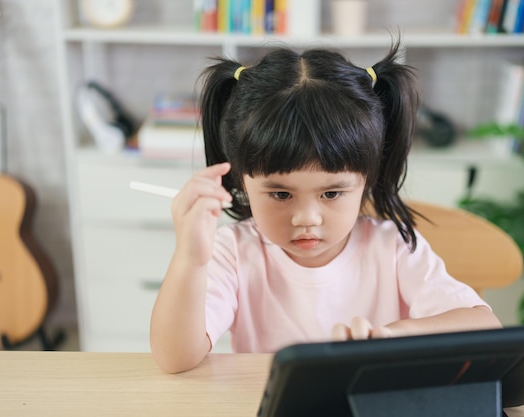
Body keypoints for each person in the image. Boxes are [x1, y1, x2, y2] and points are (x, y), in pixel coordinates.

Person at [150, 37, 502, 373]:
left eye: (331, 194)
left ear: (367, 179)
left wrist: (392, 336)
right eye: (280, 194)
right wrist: (190, 259)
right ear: (241, 182)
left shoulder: (391, 247)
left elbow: (485, 327)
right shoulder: (233, 252)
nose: (306, 218)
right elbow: (174, 357)